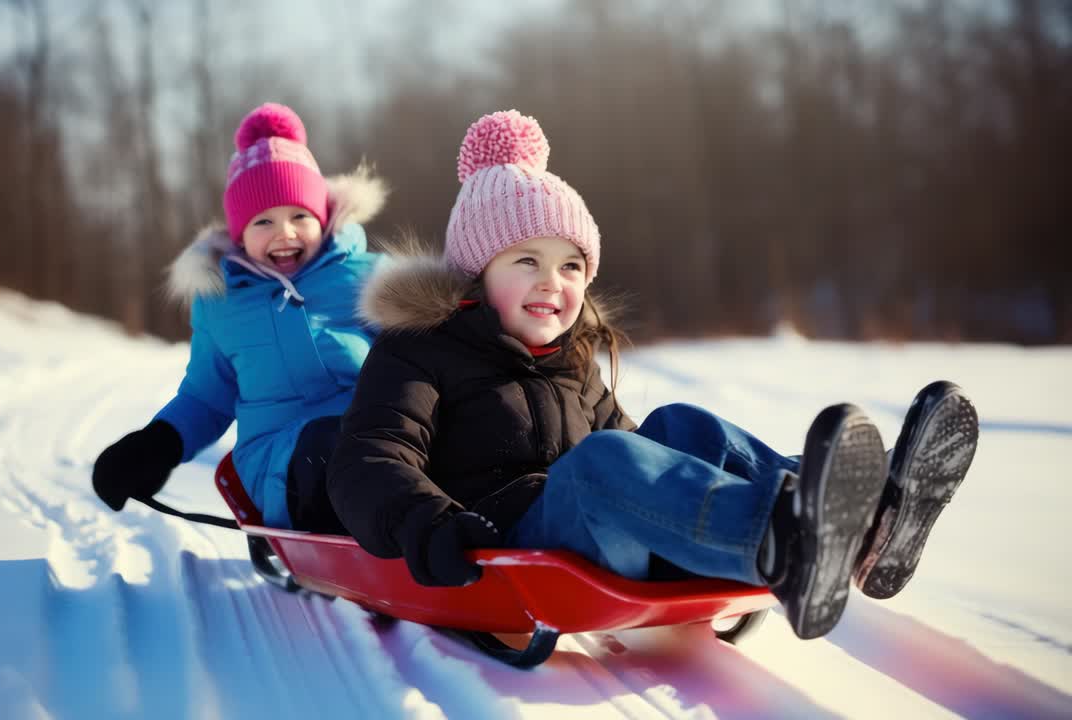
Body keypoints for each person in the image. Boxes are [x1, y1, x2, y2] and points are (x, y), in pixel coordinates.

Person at [326, 110, 979, 640]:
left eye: (572, 266)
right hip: (508, 544)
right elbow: (368, 459)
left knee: (679, 427)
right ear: (475, 273)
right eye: (526, 260)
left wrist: (675, 469)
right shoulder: (419, 351)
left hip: (598, 535)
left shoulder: (570, 362)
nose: (553, 282)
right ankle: (782, 537)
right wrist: (430, 524)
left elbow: (647, 459)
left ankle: (862, 514)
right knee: (603, 461)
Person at [92, 102, 388, 532]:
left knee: (396, 443)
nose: (284, 233)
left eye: (299, 216)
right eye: (263, 221)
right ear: (239, 233)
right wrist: (157, 445)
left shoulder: (368, 278)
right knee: (329, 447)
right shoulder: (221, 303)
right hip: (281, 461)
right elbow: (206, 396)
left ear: (323, 217)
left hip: (382, 439)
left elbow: (423, 352)